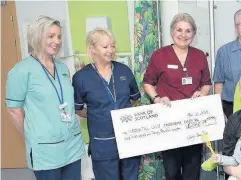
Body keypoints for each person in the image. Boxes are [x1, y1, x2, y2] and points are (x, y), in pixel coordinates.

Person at [5, 15, 85, 180]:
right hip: (45, 150)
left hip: (71, 144)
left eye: (59, 36)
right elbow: (14, 110)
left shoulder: (62, 68)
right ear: (37, 36)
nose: (57, 41)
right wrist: (33, 134)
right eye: (51, 36)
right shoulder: (21, 71)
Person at [143, 13, 211, 180]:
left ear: (193, 34)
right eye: (179, 30)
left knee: (192, 170)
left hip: (192, 121)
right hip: (169, 122)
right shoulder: (160, 55)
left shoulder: (199, 56)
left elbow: (207, 83)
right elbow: (148, 83)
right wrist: (157, 98)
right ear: (172, 32)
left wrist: (201, 93)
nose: (183, 34)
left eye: (188, 31)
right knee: (172, 171)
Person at [72, 28, 141, 180]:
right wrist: (98, 116)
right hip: (103, 142)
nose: (110, 50)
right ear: (92, 48)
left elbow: (136, 100)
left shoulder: (124, 71)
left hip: (129, 138)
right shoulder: (81, 78)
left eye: (113, 46)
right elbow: (78, 109)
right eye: (105, 47)